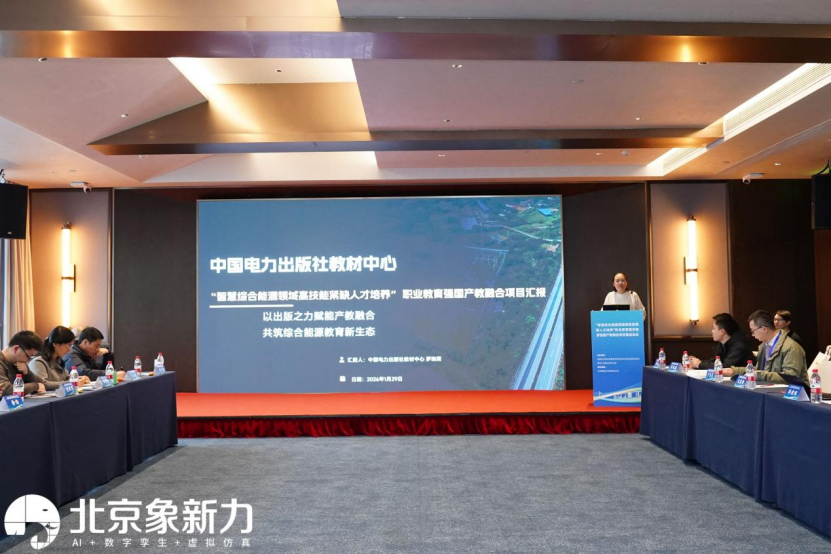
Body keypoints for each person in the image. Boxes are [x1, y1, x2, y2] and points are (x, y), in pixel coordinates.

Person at [722, 310, 807, 384]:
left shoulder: (791, 347)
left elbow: (790, 377)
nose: (753, 335)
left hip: (793, 393)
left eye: (753, 331)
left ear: (764, 329)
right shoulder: (763, 346)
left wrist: (759, 375)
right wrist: (734, 371)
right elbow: (759, 370)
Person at [29, 326, 90, 390]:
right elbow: (42, 384)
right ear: (55, 344)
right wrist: (71, 383)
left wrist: (78, 379)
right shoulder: (38, 362)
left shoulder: (58, 360)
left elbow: (66, 378)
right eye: (68, 345)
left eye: (71, 346)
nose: (69, 349)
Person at [690, 313, 755, 369]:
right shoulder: (723, 344)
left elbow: (725, 367)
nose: (712, 331)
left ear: (722, 331)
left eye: (713, 328)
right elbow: (715, 361)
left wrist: (699, 364)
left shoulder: (740, 346)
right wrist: (696, 362)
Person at [0, 331, 46, 396]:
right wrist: (35, 386)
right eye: (28, 356)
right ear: (16, 349)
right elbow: (7, 391)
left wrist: (27, 373)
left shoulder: (18, 364)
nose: (28, 361)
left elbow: (42, 383)